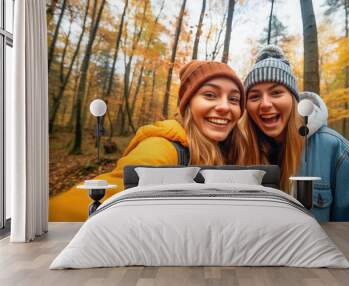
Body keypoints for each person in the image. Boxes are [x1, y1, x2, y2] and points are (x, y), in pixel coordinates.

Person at [49, 60, 247, 221]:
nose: (224, 107)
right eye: (210, 95)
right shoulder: (163, 146)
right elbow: (117, 187)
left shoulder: (231, 150)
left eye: (234, 99)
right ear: (188, 104)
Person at [241, 44, 349, 222]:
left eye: (276, 93)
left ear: (294, 100)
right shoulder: (238, 148)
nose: (265, 104)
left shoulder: (337, 151)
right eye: (254, 96)